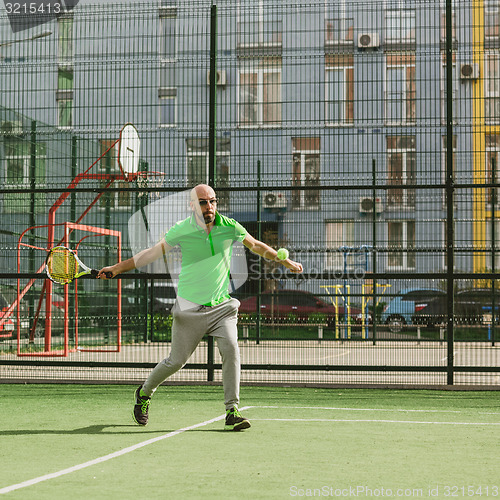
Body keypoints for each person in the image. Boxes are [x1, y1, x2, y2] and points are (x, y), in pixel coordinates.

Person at [98, 184, 303, 431]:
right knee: (176, 362)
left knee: (232, 351)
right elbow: (151, 254)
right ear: (192, 205)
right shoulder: (181, 230)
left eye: (213, 201)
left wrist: (283, 259)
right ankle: (144, 393)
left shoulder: (229, 226)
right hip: (189, 307)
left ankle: (232, 410)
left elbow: (256, 245)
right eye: (204, 202)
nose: (210, 207)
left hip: (221, 307)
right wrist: (117, 268)